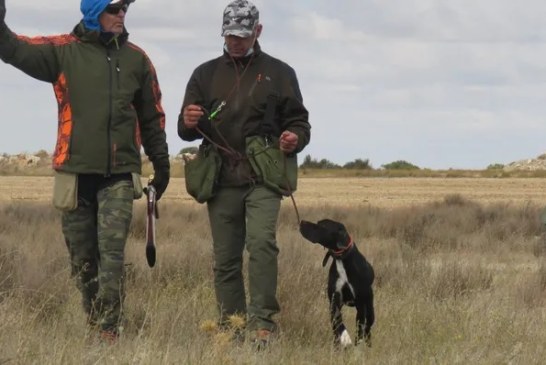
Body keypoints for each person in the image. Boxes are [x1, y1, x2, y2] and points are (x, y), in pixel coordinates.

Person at [0, 0, 170, 342]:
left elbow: (152, 119)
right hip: (74, 175)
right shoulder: (63, 52)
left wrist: (161, 163)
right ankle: (94, 321)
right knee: (83, 263)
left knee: (112, 256)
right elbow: (12, 48)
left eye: (125, 8)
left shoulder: (138, 60)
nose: (122, 14)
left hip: (120, 175)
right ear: (94, 11)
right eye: (115, 8)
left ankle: (110, 330)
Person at [178, 0, 311, 346]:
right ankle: (231, 325)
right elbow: (185, 129)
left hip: (263, 177)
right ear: (222, 32)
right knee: (225, 257)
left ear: (258, 31)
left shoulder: (281, 73)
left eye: (242, 34)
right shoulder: (204, 74)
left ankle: (263, 323)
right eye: (230, 34)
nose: (235, 41)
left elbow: (300, 122)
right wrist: (188, 121)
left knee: (262, 245)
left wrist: (294, 139)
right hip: (220, 178)